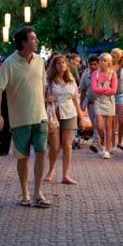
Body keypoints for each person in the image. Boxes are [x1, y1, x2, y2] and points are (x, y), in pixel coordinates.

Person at [0, 27, 51, 208]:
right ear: (24, 42)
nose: (37, 41)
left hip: (40, 116)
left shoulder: (40, 61)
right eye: (33, 39)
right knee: (23, 157)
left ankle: (37, 192)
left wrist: (46, 109)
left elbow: (42, 87)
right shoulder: (9, 63)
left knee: (42, 152)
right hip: (19, 119)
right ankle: (25, 193)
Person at [44, 55, 83, 184]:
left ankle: (65, 175)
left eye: (63, 63)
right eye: (58, 63)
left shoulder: (71, 79)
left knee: (67, 145)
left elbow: (75, 98)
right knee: (55, 146)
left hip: (70, 112)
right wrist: (47, 99)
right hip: (54, 114)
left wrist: (80, 116)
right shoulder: (49, 80)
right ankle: (51, 170)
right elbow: (39, 96)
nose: (61, 65)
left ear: (67, 65)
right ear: (54, 66)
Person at [92, 52, 118, 159]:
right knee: (100, 126)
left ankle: (107, 149)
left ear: (109, 63)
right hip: (99, 102)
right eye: (101, 60)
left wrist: (101, 90)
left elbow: (114, 90)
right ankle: (102, 143)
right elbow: (94, 89)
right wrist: (106, 89)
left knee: (109, 127)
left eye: (104, 60)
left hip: (110, 102)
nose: (102, 62)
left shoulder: (113, 74)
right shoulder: (95, 74)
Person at [79, 55, 100, 151]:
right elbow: (83, 90)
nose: (92, 66)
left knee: (99, 123)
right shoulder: (85, 75)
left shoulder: (103, 74)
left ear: (98, 64)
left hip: (101, 103)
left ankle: (98, 141)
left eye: (95, 64)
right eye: (90, 64)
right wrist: (81, 104)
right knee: (94, 123)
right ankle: (97, 141)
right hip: (90, 102)